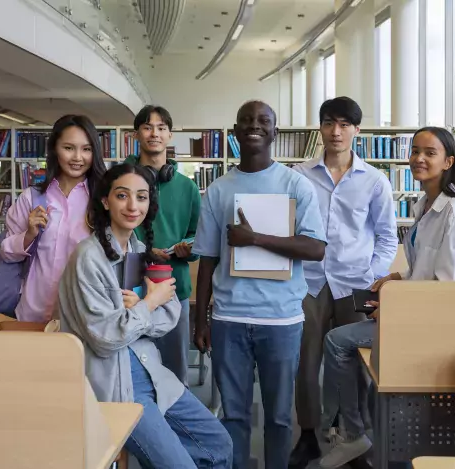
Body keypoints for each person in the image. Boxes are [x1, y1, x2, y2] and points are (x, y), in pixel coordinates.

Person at [318, 126, 455, 468]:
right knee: (357, 353)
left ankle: (352, 434)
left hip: (437, 325)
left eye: (430, 153)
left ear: (448, 161)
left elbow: (447, 287)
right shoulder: (425, 204)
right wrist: (397, 277)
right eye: (415, 151)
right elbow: (425, 269)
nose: (419, 159)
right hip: (418, 313)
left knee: (338, 342)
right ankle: (358, 431)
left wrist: (396, 307)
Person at [57, 163, 232, 468]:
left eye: (141, 197)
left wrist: (139, 306)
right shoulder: (87, 257)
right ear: (105, 201)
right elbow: (106, 339)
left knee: (219, 444)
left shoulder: (137, 249)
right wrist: (149, 302)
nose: (132, 205)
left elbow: (171, 314)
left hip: (152, 371)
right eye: (122, 195)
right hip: (116, 384)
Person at [193, 100, 327, 469]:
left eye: (263, 121)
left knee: (280, 417)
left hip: (281, 320)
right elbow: (207, 259)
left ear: (275, 132)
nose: (255, 125)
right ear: (235, 132)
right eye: (247, 121)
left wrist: (255, 239)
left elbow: (315, 248)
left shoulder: (296, 185)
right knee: (233, 415)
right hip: (228, 320)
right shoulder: (218, 190)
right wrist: (200, 320)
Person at [289, 97, 398, 468]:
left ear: (357, 130)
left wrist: (371, 277)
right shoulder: (299, 176)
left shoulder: (375, 181)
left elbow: (387, 237)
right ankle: (308, 435)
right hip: (310, 281)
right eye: (329, 123)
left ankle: (353, 436)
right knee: (306, 362)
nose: (336, 132)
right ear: (320, 127)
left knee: (355, 363)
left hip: (356, 284)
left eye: (344, 124)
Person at [0, 114, 106, 323]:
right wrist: (29, 235)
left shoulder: (104, 200)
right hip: (33, 311)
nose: (78, 157)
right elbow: (6, 253)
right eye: (68, 148)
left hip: (84, 314)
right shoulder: (32, 198)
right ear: (54, 149)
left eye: (86, 149)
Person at [124, 105, 201, 385]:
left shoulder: (187, 187)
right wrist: (143, 250)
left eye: (160, 127)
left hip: (173, 289)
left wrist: (189, 247)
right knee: (129, 372)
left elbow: (197, 233)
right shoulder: (122, 180)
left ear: (170, 135)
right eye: (147, 127)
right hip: (129, 289)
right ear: (136, 135)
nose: (154, 133)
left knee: (174, 373)